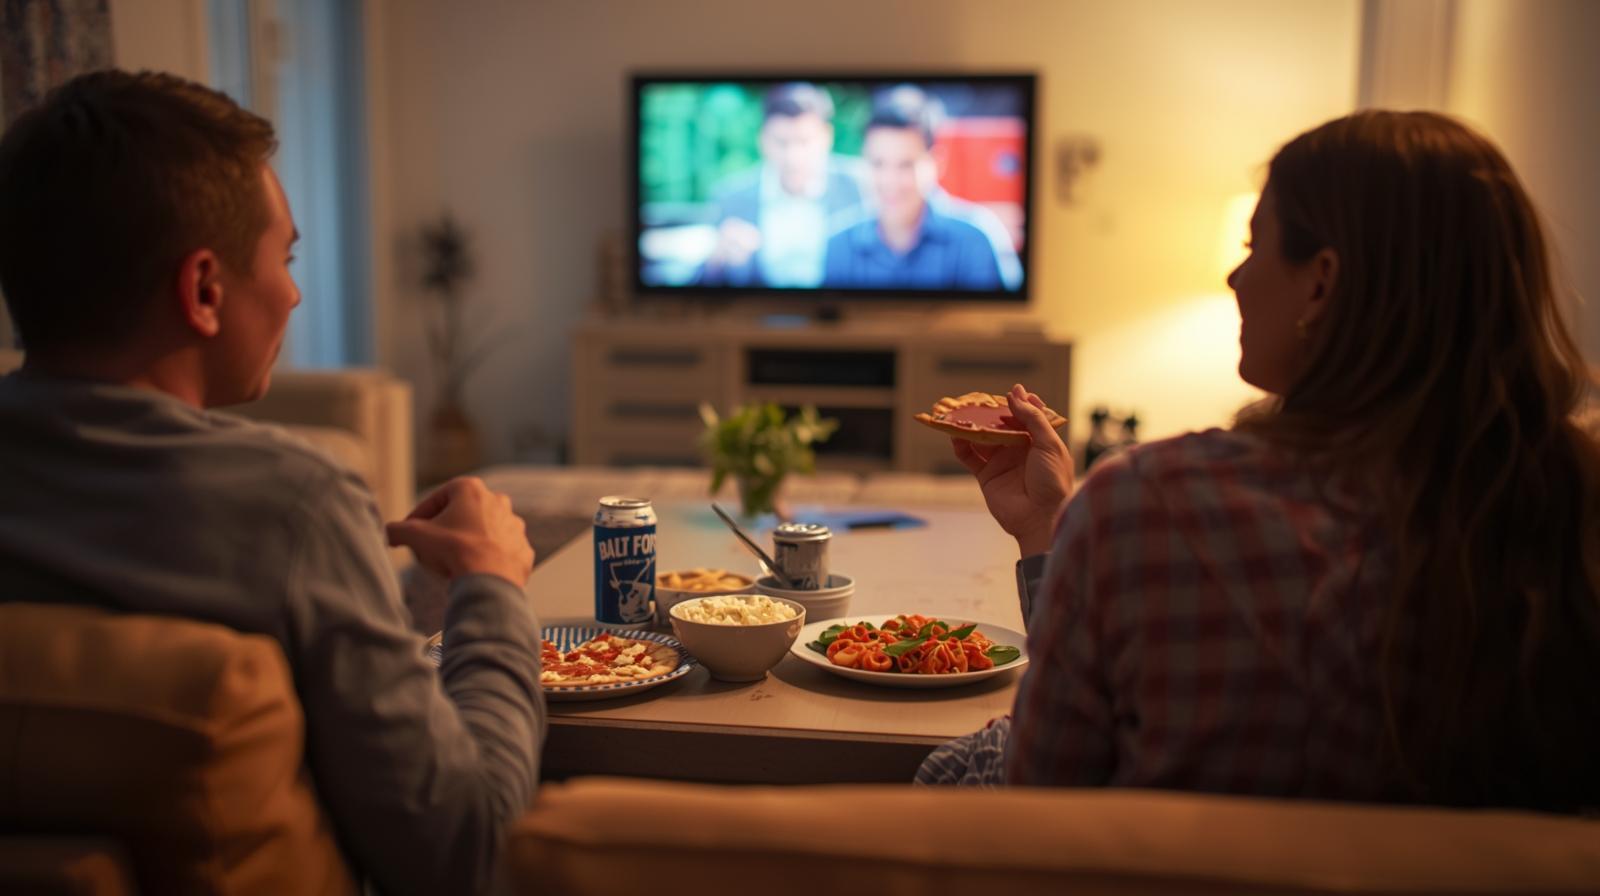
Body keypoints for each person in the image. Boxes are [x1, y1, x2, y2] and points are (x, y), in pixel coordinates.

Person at [923, 110, 1600, 813]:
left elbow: (1044, 801)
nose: (1235, 275)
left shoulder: (1149, 503)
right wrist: (1047, 531)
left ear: (1320, 283)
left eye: (1254, 247)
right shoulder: (1571, 503)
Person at [0, 71, 545, 893]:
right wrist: (491, 584)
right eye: (285, 258)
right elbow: (462, 851)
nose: (292, 292)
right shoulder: (295, 505)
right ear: (205, 290)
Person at [821, 86, 1018, 291]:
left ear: (936, 163)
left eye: (906, 165)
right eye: (878, 163)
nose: (890, 181)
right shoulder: (839, 244)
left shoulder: (977, 238)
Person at [696, 82, 865, 288]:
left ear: (826, 136)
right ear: (763, 139)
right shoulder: (731, 197)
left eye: (804, 141)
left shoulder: (863, 186)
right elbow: (697, 288)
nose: (793, 157)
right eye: (781, 142)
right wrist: (717, 260)